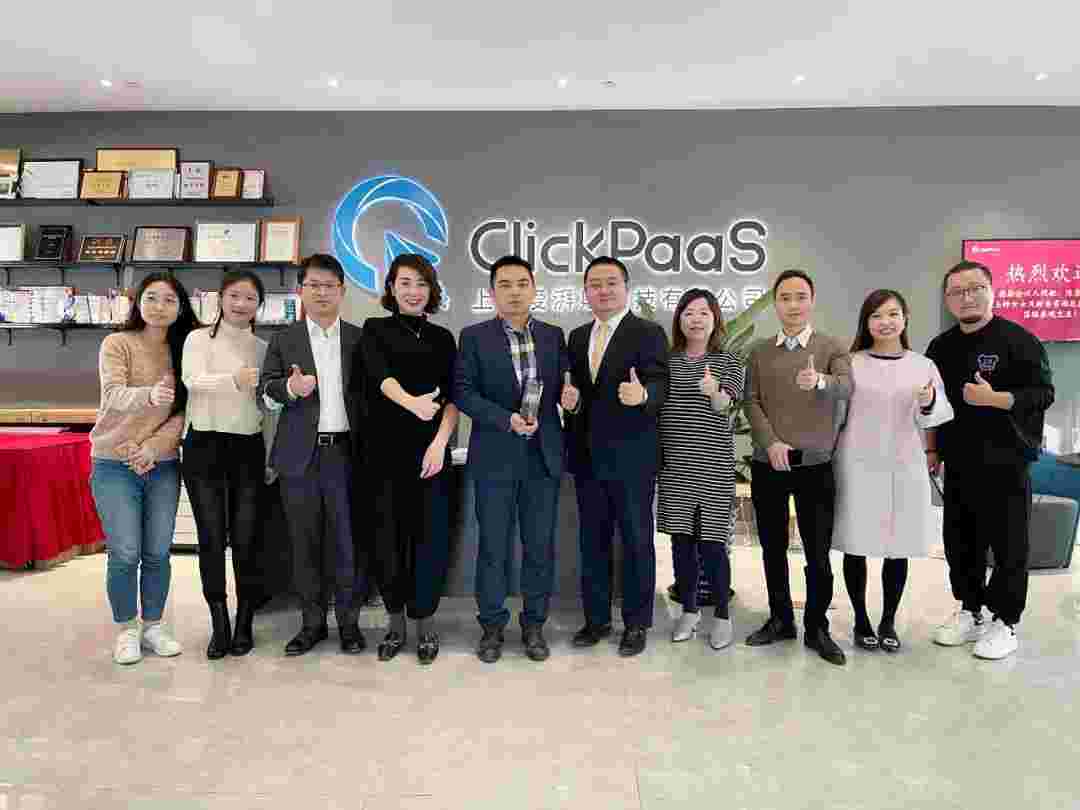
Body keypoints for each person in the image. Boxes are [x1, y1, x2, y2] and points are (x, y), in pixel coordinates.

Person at [925, 261, 1054, 660]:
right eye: (957, 291)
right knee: (961, 544)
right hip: (958, 463)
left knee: (1010, 546)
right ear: (947, 299)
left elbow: (1043, 394)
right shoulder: (940, 347)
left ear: (991, 290)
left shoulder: (1019, 340)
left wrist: (996, 399)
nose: (966, 297)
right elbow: (933, 404)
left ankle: (1006, 621)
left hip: (1008, 462)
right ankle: (971, 610)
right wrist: (932, 450)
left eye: (975, 288)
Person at [454, 255, 570, 664]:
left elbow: (566, 388)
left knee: (540, 547)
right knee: (493, 547)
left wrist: (571, 398)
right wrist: (506, 419)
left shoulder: (554, 336)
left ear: (534, 289)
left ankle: (534, 624)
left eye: (522, 283)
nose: (514, 292)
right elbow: (464, 392)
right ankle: (491, 626)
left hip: (542, 457)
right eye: (505, 284)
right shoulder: (473, 337)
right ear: (492, 293)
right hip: (495, 457)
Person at [259, 254, 369, 656]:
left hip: (347, 455)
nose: (322, 293)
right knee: (303, 543)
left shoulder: (360, 338)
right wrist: (291, 389)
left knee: (348, 543)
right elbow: (264, 393)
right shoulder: (283, 339)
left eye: (329, 286)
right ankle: (312, 624)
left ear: (342, 291)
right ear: (300, 290)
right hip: (300, 458)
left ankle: (350, 624)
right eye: (313, 285)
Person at [832, 289, 953, 653]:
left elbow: (937, 414)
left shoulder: (922, 365)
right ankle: (860, 620)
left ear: (905, 318)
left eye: (892, 314)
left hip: (903, 462)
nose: (885, 322)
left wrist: (929, 402)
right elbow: (834, 413)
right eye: (876, 315)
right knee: (856, 542)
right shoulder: (850, 362)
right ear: (865, 323)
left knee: (897, 545)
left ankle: (887, 620)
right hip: (857, 461)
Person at [90, 272, 199, 665]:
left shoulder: (187, 349)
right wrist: (149, 395)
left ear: (181, 308)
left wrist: (153, 448)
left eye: (169, 300)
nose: (159, 307)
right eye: (151, 297)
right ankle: (127, 629)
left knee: (157, 552)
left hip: (162, 464)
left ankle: (153, 625)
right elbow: (113, 394)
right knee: (125, 552)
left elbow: (185, 412)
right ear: (137, 302)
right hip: (113, 462)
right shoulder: (117, 343)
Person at [745, 269, 853, 666]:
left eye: (800, 296)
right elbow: (751, 401)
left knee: (817, 551)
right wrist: (770, 442)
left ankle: (817, 626)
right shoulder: (760, 351)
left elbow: (847, 387)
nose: (793, 305)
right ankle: (780, 619)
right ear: (776, 303)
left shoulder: (831, 346)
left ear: (812, 300)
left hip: (815, 467)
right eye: (785, 297)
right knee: (772, 547)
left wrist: (820, 381)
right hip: (769, 464)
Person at [564, 256, 669, 657]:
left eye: (611, 282)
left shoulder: (648, 332)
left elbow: (661, 383)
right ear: (586, 292)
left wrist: (643, 395)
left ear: (626, 288)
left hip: (632, 459)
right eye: (595, 284)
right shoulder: (577, 337)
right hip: (588, 459)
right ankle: (596, 620)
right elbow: (578, 395)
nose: (603, 290)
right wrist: (571, 403)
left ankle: (637, 624)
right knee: (593, 542)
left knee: (636, 541)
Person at [360, 253, 458, 665]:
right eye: (405, 283)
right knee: (387, 539)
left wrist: (439, 443)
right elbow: (380, 377)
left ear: (431, 290)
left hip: (432, 455)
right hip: (384, 455)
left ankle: (426, 624)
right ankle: (395, 624)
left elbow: (453, 399)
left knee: (430, 541)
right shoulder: (374, 329)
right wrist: (413, 403)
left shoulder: (443, 338)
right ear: (391, 288)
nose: (413, 291)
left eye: (421, 283)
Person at [181, 269, 277, 659]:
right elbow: (192, 380)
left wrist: (270, 455)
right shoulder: (197, 339)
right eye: (234, 295)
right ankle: (218, 621)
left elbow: (268, 408)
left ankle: (245, 621)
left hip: (248, 447)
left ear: (259, 305)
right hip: (204, 444)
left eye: (250, 298)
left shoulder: (263, 347)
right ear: (220, 298)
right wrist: (233, 380)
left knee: (246, 540)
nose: (241, 304)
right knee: (210, 538)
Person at [659, 289, 745, 650]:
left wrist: (713, 391)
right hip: (675, 465)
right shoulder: (666, 361)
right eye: (689, 312)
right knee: (681, 543)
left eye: (704, 313)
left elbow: (726, 404)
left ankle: (722, 616)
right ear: (679, 319)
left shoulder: (728, 361)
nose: (696, 319)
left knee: (712, 545)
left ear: (715, 320)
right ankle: (690, 612)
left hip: (713, 465)